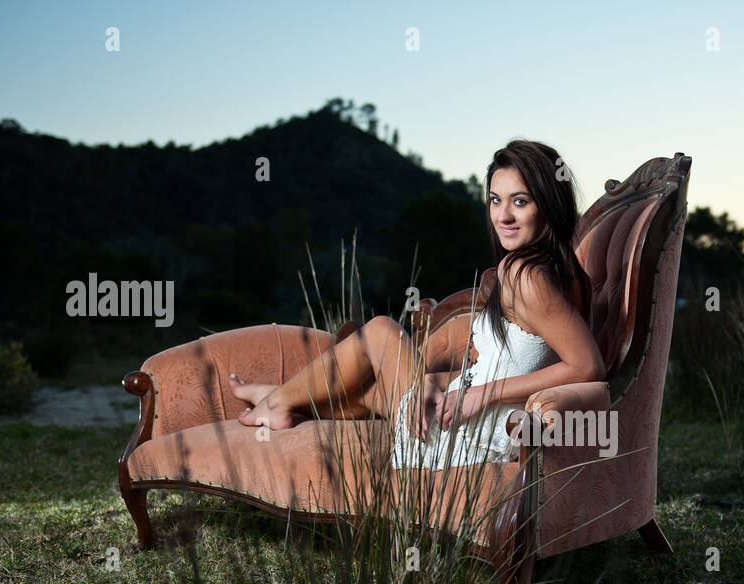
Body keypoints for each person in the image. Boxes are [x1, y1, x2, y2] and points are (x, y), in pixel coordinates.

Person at [227, 139, 603, 471]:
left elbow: (587, 365)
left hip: (467, 439)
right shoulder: (560, 268)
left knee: (380, 331)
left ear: (549, 204)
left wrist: (480, 394)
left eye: (520, 202)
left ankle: (276, 403)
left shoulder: (526, 274)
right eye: (495, 200)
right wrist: (446, 384)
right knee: (373, 393)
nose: (503, 216)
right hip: (481, 419)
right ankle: (282, 401)